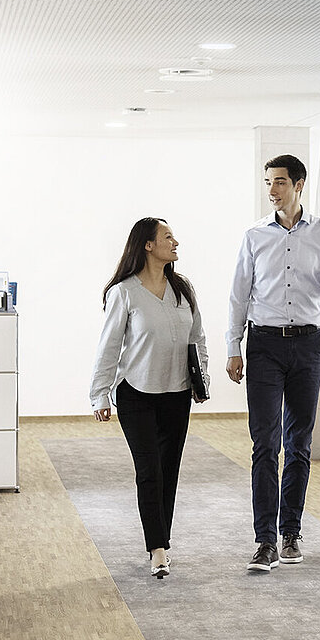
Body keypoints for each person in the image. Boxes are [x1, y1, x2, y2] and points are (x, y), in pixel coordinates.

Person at [226, 154, 320, 572]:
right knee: (264, 443)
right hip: (263, 345)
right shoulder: (253, 236)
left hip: (308, 346)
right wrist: (233, 345)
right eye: (268, 182)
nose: (272, 190)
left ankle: (290, 533)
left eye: (279, 182)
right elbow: (239, 293)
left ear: (299, 185)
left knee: (299, 443)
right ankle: (264, 540)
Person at [90, 217, 208, 579]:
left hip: (177, 394)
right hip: (136, 394)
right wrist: (99, 394)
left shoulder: (182, 289)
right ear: (147, 245)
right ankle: (157, 549)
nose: (175, 242)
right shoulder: (124, 292)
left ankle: (162, 543)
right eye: (168, 237)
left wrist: (201, 379)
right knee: (149, 472)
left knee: (168, 472)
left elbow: (197, 338)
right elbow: (109, 347)